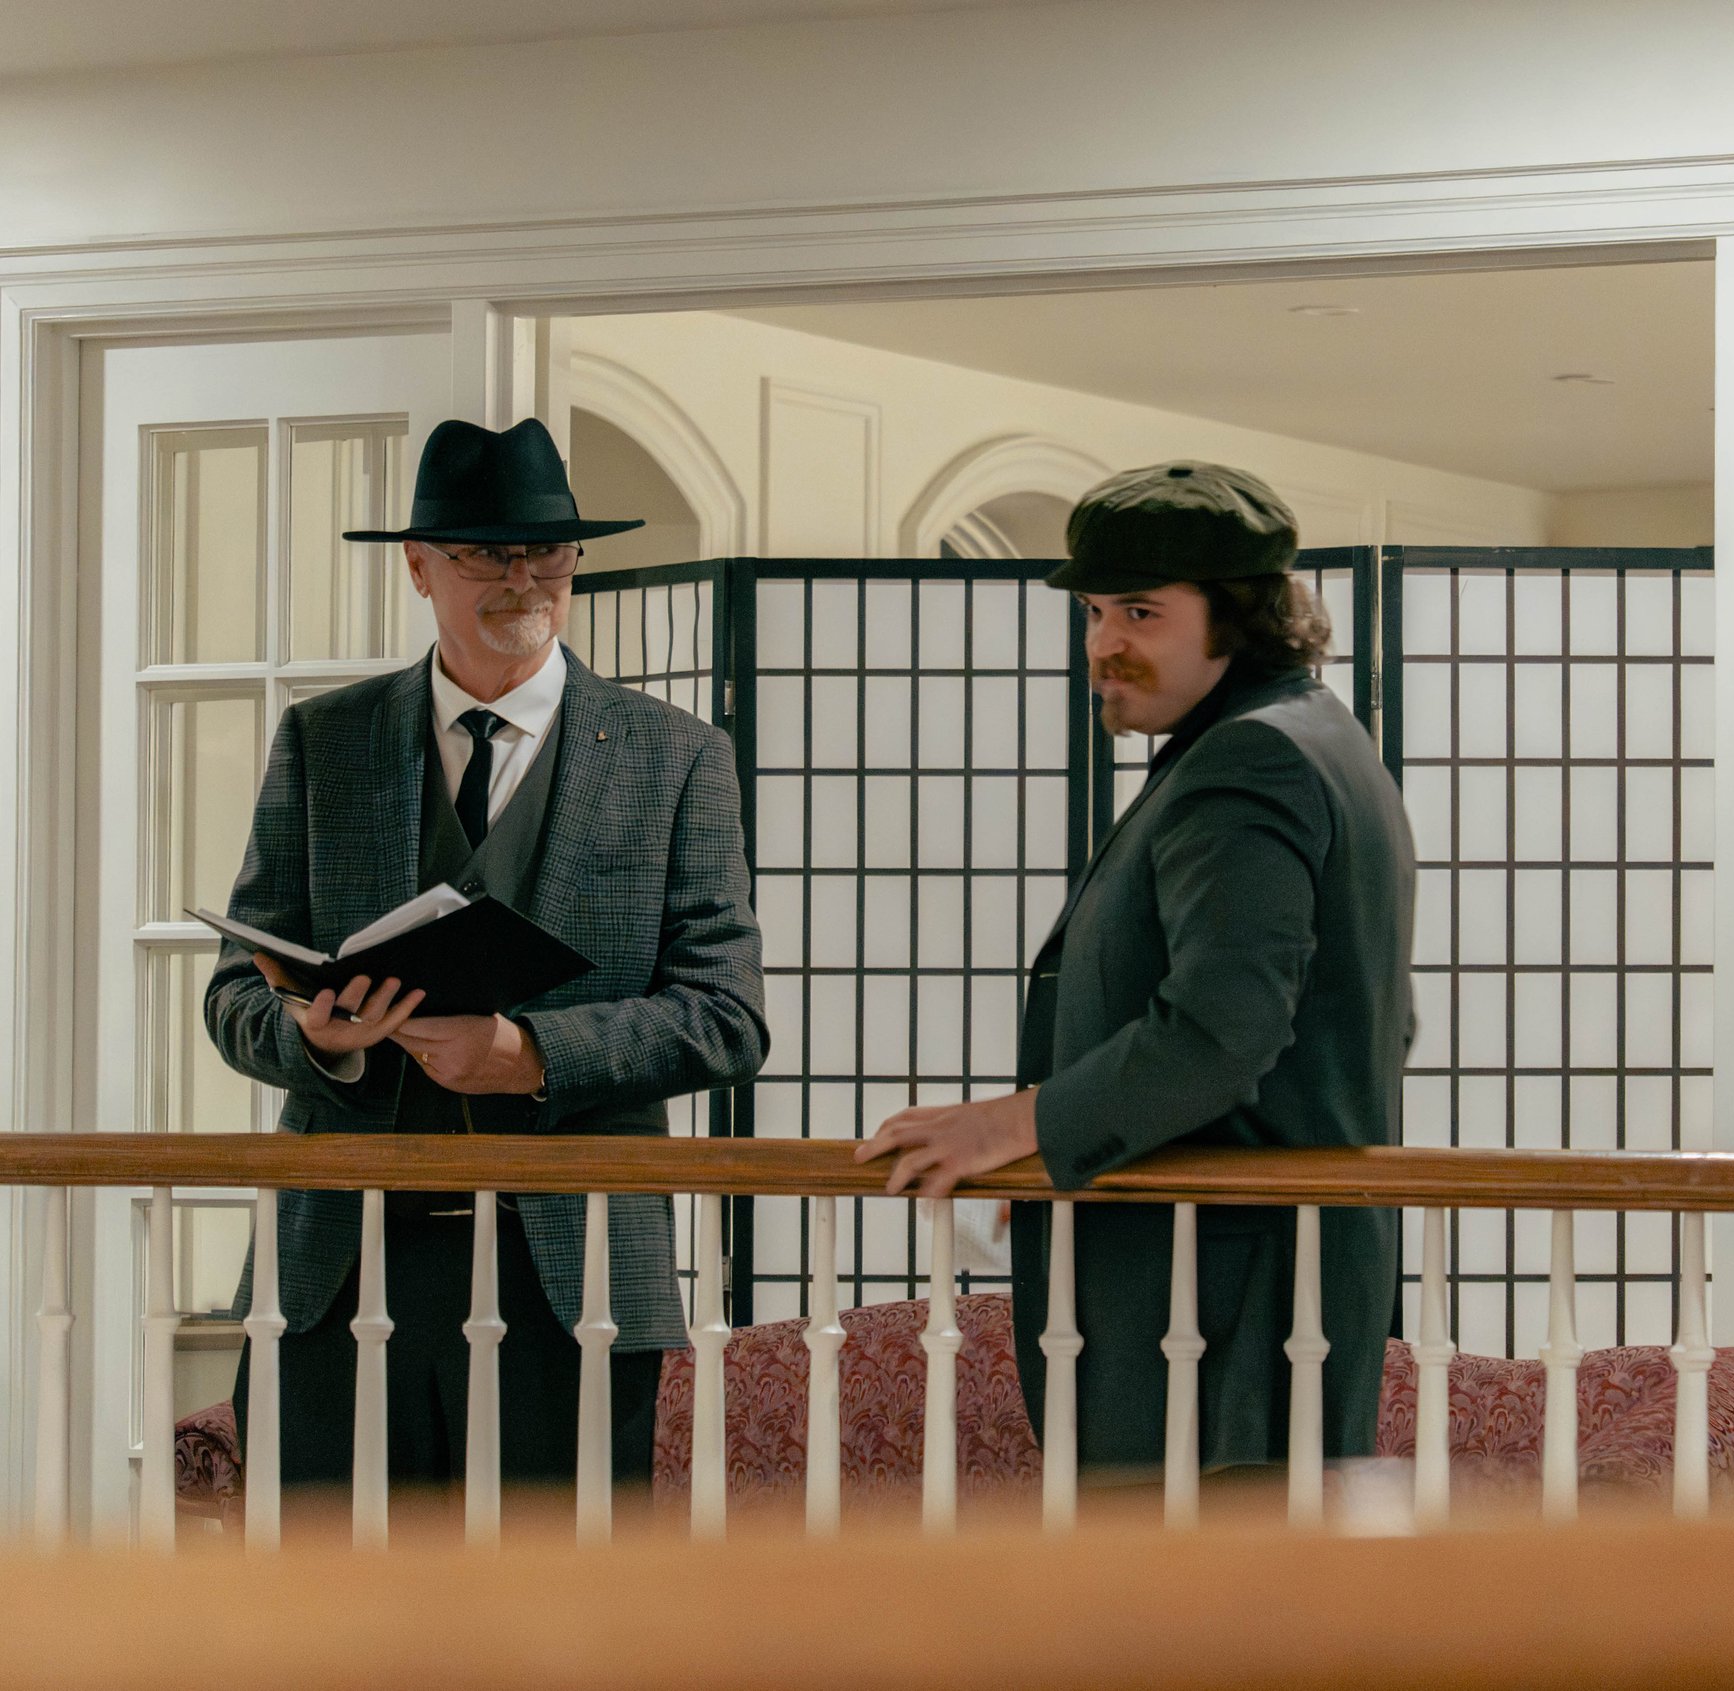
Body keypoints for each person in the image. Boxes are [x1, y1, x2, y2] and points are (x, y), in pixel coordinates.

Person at [205, 417, 767, 1498]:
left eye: (546, 553)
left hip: (573, 1272)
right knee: (322, 1625)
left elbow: (727, 1012)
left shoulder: (675, 754)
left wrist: (534, 1052)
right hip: (336, 1263)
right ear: (418, 567)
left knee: (558, 1634)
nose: (524, 578)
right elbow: (237, 989)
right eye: (487, 554)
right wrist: (308, 1035)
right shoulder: (326, 740)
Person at [856, 461, 1417, 1473]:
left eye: (1142, 612)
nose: (1104, 642)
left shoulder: (1253, 758)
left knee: (1195, 1618)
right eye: (1095, 610)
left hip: (1219, 1305)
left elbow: (1221, 1029)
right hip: (1267, 1290)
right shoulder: (1318, 736)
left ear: (1240, 618)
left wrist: (1002, 1125)